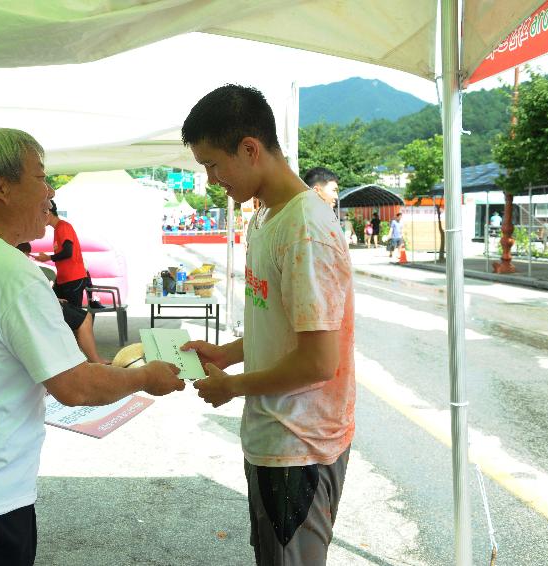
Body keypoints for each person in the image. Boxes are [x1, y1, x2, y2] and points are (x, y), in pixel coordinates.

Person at [0, 128, 184, 566]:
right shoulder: (11, 272)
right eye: (41, 176)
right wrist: (145, 375)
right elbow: (75, 386)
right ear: (0, 186)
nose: (49, 190)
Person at [179, 85, 355, 566]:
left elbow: (319, 360)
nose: (213, 179)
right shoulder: (265, 216)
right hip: (272, 436)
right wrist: (227, 354)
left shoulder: (306, 228)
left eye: (213, 164)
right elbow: (278, 326)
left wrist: (233, 386)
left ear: (250, 149)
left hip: (300, 444)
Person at [18, 242, 109, 364]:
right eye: (27, 254)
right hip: (41, 307)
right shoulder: (23, 267)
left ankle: (80, 359)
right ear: (23, 253)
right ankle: (94, 360)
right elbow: (32, 291)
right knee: (85, 318)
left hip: (42, 303)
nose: (29, 256)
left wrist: (54, 298)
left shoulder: (19, 266)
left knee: (81, 317)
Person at [36, 199, 89, 308]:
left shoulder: (63, 227)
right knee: (54, 306)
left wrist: (48, 257)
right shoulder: (58, 229)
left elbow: (67, 252)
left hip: (73, 278)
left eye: (40, 214)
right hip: (63, 279)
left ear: (48, 212)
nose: (39, 219)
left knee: (73, 313)